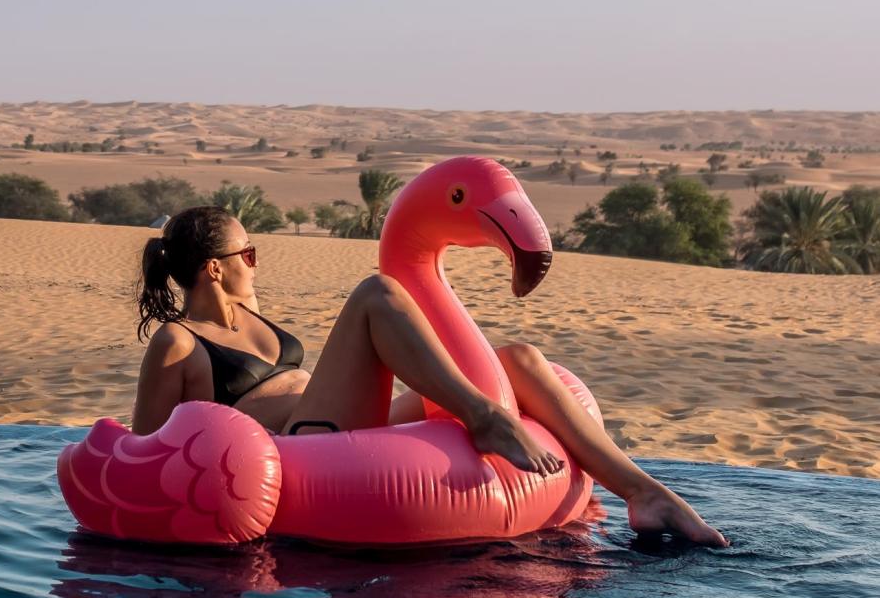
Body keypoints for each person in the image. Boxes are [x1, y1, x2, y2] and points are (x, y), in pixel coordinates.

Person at [132, 206, 728, 547]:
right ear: (214, 269)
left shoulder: (254, 318)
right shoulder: (178, 342)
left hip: (335, 419)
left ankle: (644, 494)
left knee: (517, 358)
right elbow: (146, 454)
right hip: (299, 447)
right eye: (249, 254)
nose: (257, 263)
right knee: (375, 293)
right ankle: (486, 418)